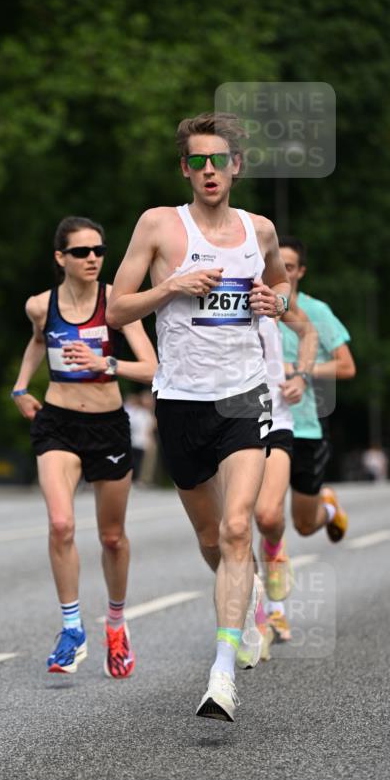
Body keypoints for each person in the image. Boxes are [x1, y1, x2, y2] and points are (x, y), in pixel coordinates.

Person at [107, 113, 315, 722]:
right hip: (180, 400)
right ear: (185, 169)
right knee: (209, 539)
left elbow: (281, 296)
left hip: (244, 395)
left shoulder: (261, 230)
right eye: (197, 161)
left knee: (236, 527)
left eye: (218, 160)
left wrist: (273, 302)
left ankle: (222, 672)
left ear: (235, 167)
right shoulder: (158, 225)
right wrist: (172, 286)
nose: (209, 171)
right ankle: (242, 595)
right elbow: (117, 310)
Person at [12, 216, 157, 678]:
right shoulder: (41, 305)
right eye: (82, 252)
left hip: (108, 427)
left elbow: (152, 368)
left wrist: (105, 361)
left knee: (111, 537)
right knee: (60, 524)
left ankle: (115, 622)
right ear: (61, 258)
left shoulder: (115, 301)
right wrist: (19, 388)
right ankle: (72, 628)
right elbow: (38, 342)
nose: (93, 258)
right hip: (57, 422)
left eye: (99, 250)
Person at [279, 237, 356, 546]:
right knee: (266, 514)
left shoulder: (317, 312)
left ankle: (326, 507)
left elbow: (347, 367)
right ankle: (271, 589)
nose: (283, 273)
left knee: (304, 524)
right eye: (277, 266)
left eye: (289, 267)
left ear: (301, 272)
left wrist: (300, 369)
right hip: (262, 421)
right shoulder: (257, 305)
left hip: (306, 424)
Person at [254, 311, 317, 649]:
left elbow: (308, 331)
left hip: (275, 418)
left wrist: (302, 377)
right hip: (224, 421)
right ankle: (257, 610)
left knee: (267, 516)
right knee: (231, 529)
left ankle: (275, 549)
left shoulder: (269, 294)